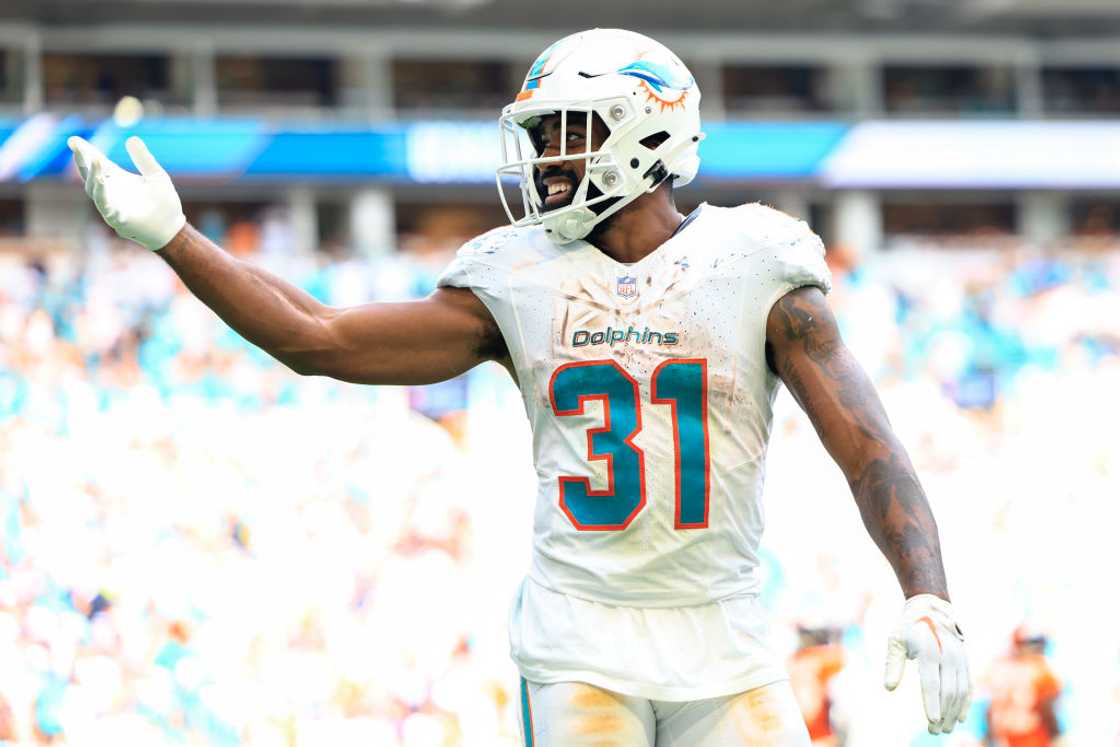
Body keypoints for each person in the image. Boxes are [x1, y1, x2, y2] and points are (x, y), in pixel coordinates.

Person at [68, 27, 970, 747]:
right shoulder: (516, 276)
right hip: (580, 641)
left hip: (724, 636)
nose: (542, 157)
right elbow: (321, 340)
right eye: (540, 137)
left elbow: (870, 449)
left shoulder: (753, 260)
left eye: (562, 133)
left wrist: (925, 591)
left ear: (643, 130)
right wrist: (176, 237)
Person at [986, 627, 1062, 747]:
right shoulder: (1041, 670)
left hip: (1005, 739)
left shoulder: (998, 669)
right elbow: (1048, 709)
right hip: (1033, 739)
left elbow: (989, 712)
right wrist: (1058, 737)